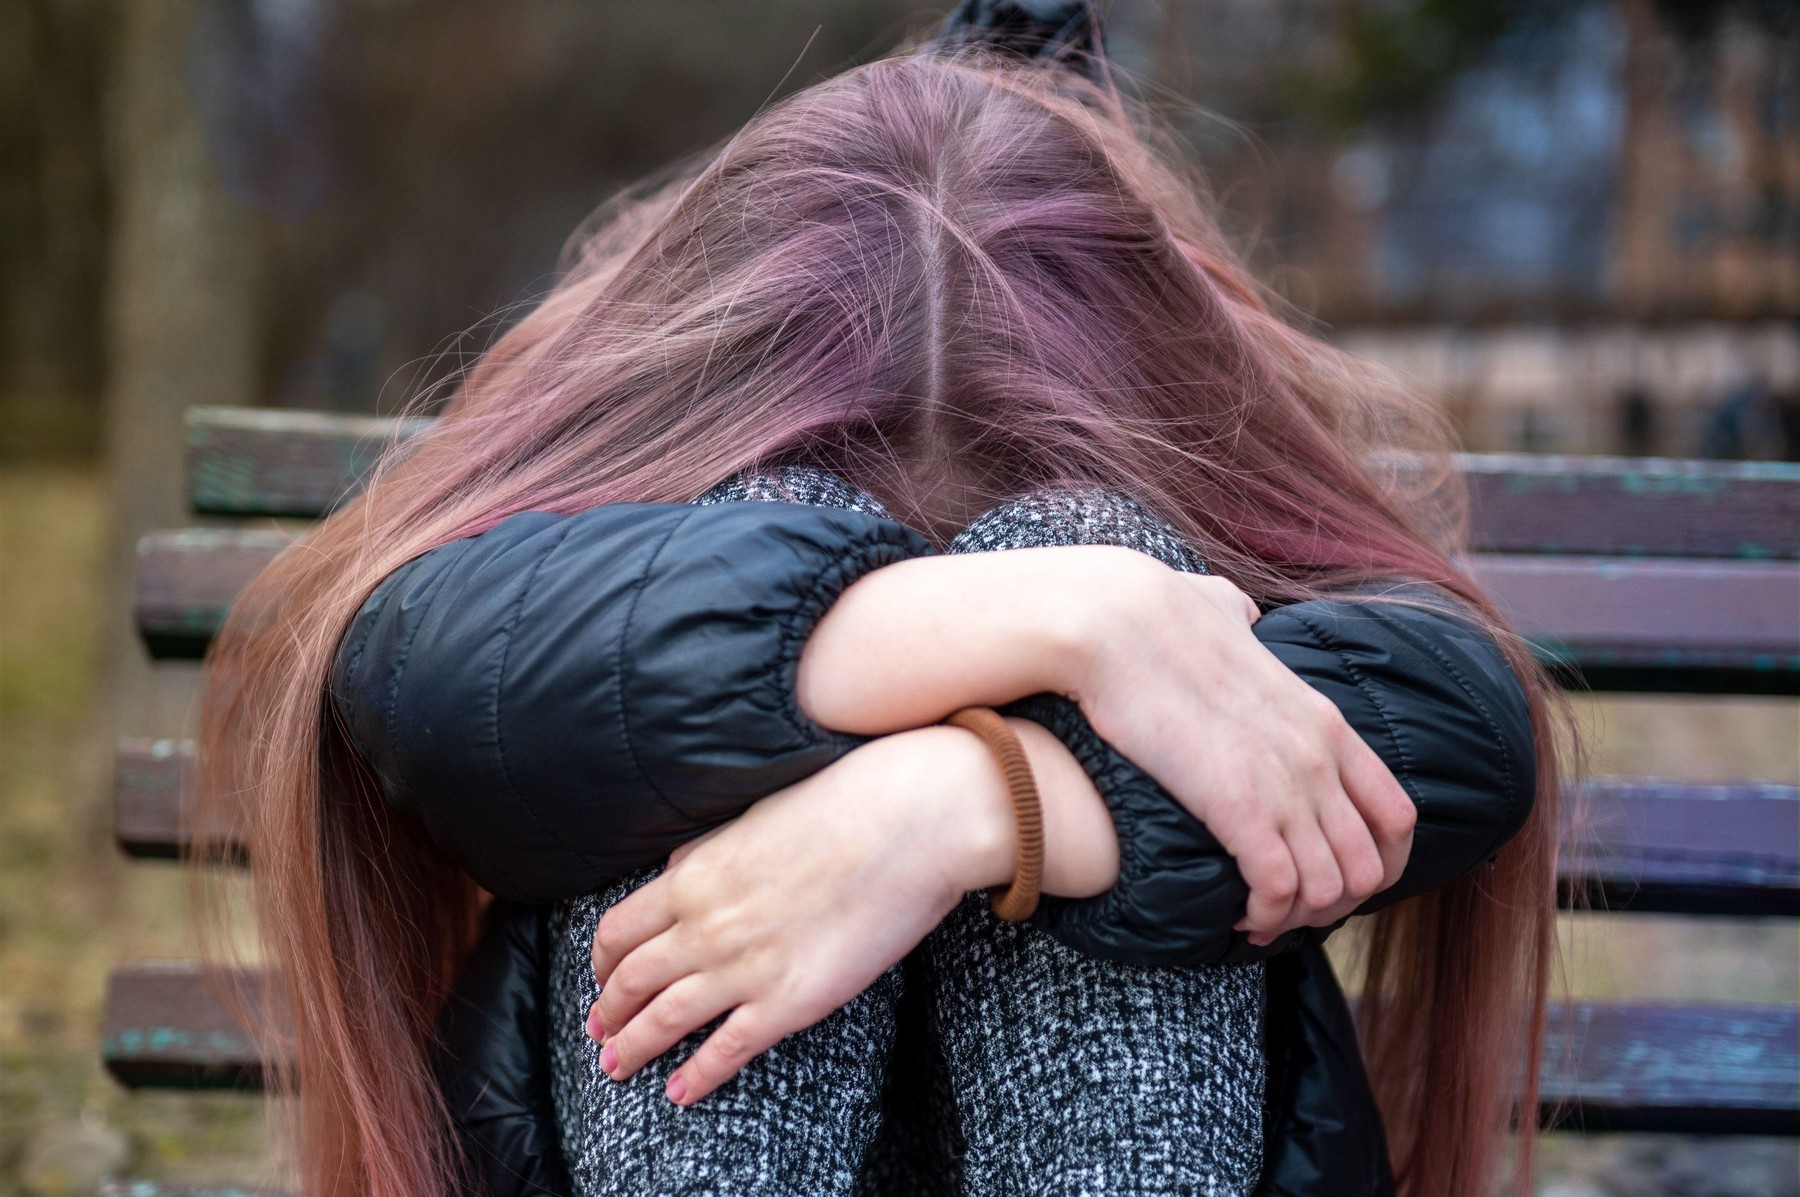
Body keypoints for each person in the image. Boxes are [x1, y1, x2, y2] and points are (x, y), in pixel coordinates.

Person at [195, 10, 1563, 1197]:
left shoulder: (1131, 451)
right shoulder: (636, 495)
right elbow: (414, 673)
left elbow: (1468, 722)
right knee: (723, 610)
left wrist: (979, 799)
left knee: (1105, 574)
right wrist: (1066, 626)